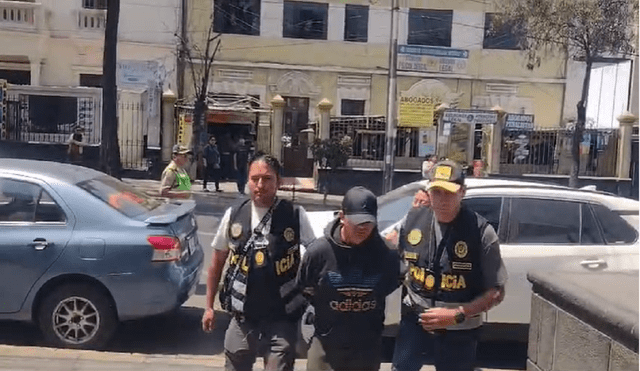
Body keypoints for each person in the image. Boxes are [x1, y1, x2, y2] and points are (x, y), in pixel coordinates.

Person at [202, 152, 316, 371]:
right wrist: (208, 307)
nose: (260, 185)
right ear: (247, 180)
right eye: (255, 179)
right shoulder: (234, 215)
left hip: (282, 318)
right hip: (243, 318)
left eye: (267, 179)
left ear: (278, 182)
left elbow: (316, 256)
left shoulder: (294, 215)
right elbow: (216, 264)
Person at [390, 159, 507, 371]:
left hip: (459, 327)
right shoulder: (413, 219)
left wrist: (457, 314)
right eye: (436, 192)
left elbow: (496, 292)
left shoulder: (481, 232)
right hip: (415, 320)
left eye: (449, 193)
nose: (442, 200)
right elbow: (394, 254)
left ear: (462, 192)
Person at [297, 186, 404, 371]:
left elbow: (391, 284)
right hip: (326, 345)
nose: (363, 228)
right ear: (342, 216)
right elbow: (304, 287)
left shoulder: (386, 255)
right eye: (357, 222)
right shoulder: (319, 252)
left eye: (368, 223)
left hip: (367, 348)